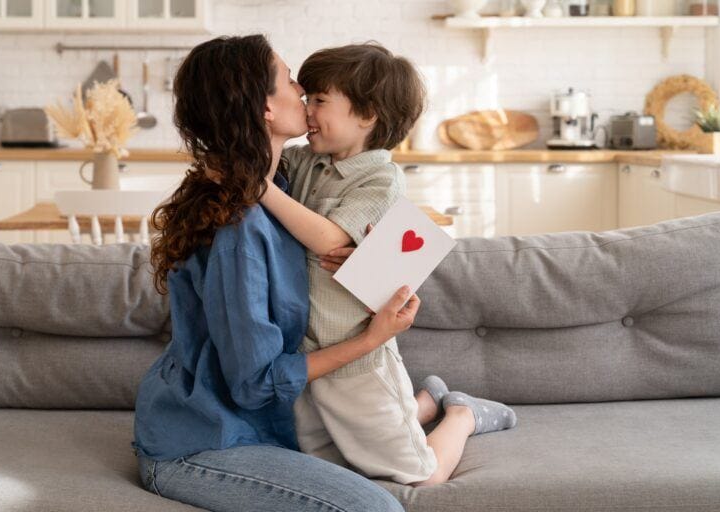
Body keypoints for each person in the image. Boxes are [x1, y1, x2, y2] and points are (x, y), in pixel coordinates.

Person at [132, 35, 418, 512]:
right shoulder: (239, 227)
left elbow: (360, 209)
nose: (302, 89)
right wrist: (370, 341)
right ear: (264, 108)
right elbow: (255, 384)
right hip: (203, 441)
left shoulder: (288, 186)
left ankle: (438, 408)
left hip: (262, 426)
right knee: (376, 508)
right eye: (289, 80)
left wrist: (377, 264)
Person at [258, 43, 517, 486]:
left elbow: (329, 237)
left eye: (320, 100)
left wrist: (259, 188)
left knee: (421, 476)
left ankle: (461, 414)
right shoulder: (308, 162)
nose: (307, 108)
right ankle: (426, 403)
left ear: (367, 114)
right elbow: (265, 151)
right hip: (310, 357)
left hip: (358, 362)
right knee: (338, 463)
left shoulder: (379, 178)